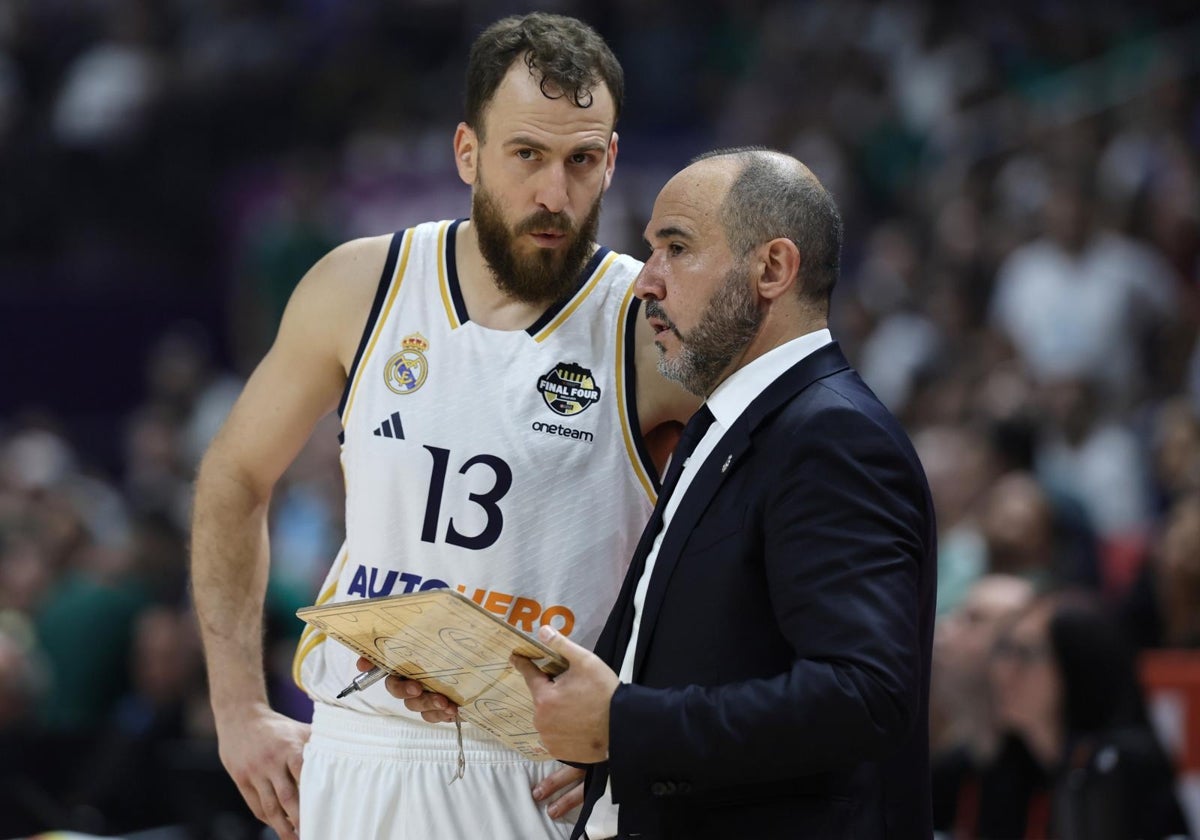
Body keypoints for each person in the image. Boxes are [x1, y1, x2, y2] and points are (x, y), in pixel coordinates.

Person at [189, 12, 695, 840]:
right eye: (526, 154)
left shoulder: (652, 320)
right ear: (468, 152)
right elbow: (234, 475)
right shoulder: (360, 284)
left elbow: (745, 547)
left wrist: (646, 720)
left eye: (581, 160)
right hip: (361, 745)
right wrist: (239, 709)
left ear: (611, 160)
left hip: (548, 770)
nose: (553, 194)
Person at [500, 148, 938, 838]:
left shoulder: (832, 436)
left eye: (676, 248)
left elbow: (864, 695)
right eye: (650, 251)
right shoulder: (727, 425)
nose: (645, 281)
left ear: (772, 269)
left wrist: (626, 726)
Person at [990, 589, 1190, 839]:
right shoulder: (1019, 767)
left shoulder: (1118, 766)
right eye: (1004, 651)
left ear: (1076, 664)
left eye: (1026, 654)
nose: (1004, 673)